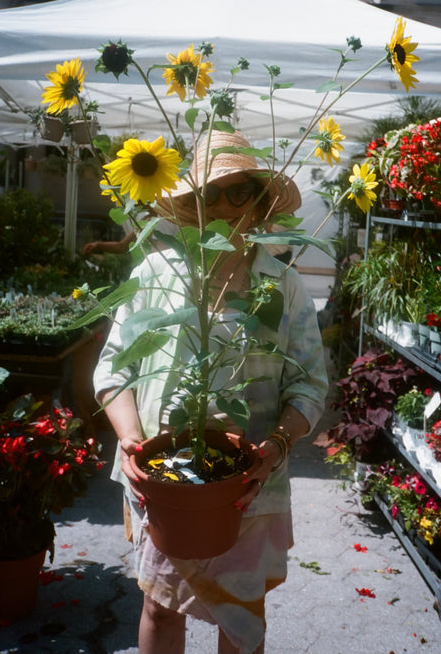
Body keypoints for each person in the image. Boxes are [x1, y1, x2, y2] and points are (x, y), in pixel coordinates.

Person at [93, 131, 329, 654]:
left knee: (242, 615)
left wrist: (278, 447)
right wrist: (133, 440)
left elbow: (311, 384)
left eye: (238, 192)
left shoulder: (283, 288)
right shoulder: (154, 276)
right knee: (159, 603)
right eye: (209, 194)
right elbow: (112, 370)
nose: (223, 205)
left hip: (250, 482)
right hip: (162, 477)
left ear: (262, 203)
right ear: (189, 206)